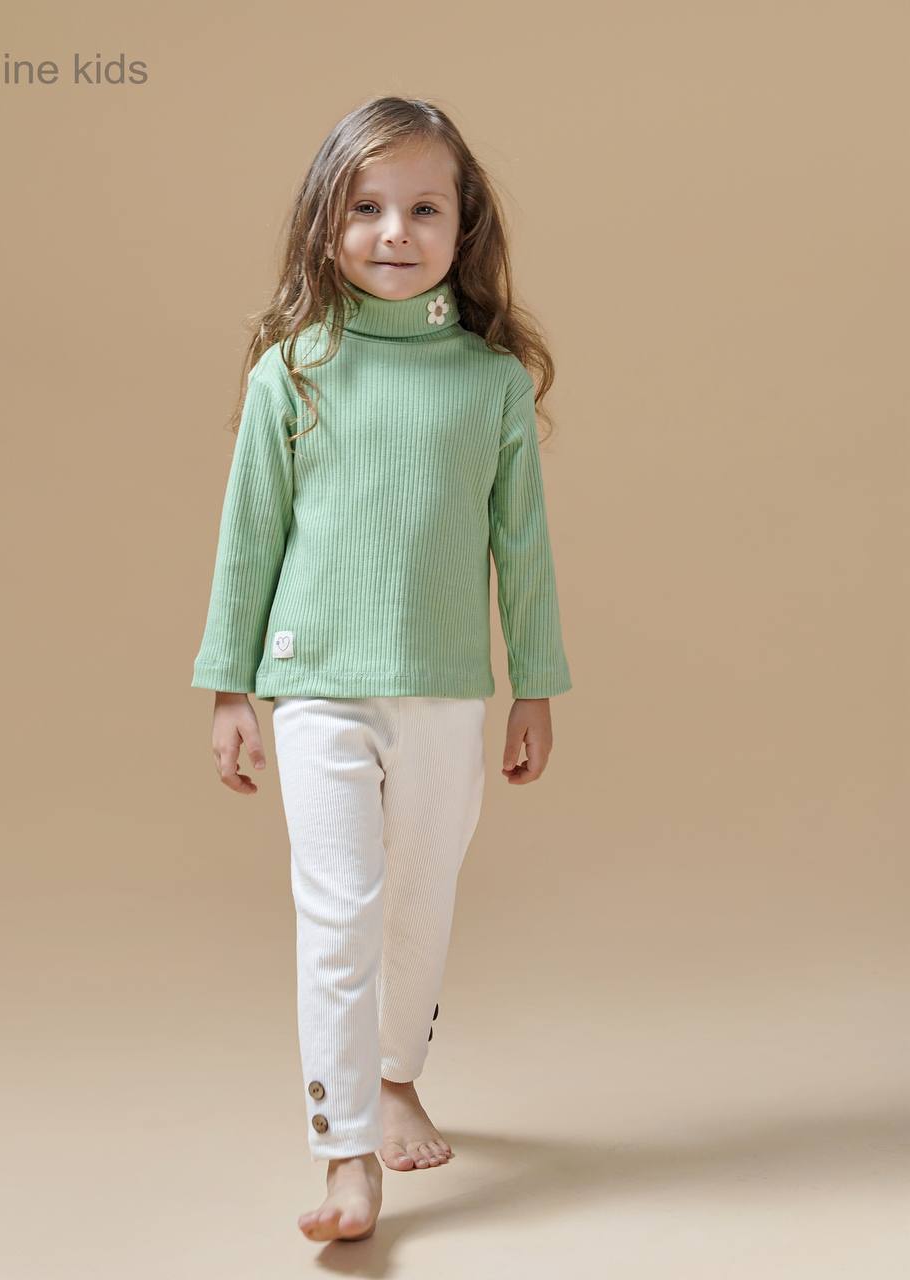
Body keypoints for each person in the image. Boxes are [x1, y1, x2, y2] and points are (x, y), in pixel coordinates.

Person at [191, 96, 573, 1243]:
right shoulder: (292, 373)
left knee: (418, 902)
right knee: (339, 910)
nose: (394, 230)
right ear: (326, 220)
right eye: (365, 207)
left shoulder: (490, 382)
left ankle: (397, 1070)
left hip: (447, 689)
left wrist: (535, 685)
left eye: (423, 208)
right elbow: (248, 537)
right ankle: (345, 1148)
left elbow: (522, 545)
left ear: (465, 225)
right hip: (315, 683)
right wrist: (229, 687)